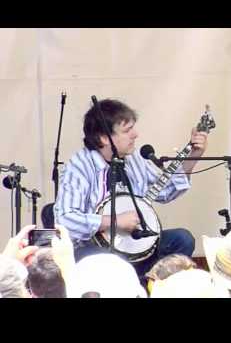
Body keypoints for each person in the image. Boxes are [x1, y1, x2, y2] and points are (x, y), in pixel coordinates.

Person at [54, 98, 208, 282]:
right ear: (104, 137)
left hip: (134, 244)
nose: (136, 134)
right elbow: (64, 219)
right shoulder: (79, 166)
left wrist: (193, 156)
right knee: (108, 260)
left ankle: (147, 285)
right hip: (92, 249)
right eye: (127, 130)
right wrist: (114, 221)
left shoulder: (133, 157)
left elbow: (165, 190)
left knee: (182, 239)